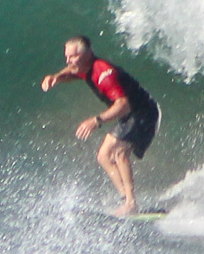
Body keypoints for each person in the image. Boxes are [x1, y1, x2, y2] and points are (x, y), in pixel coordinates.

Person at [40, 35, 160, 216]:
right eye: (67, 56)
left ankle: (131, 204)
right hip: (130, 115)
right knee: (104, 156)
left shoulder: (104, 73)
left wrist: (96, 121)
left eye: (73, 56)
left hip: (143, 112)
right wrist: (55, 77)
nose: (69, 60)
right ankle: (126, 199)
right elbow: (73, 71)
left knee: (119, 152)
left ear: (87, 54)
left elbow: (123, 104)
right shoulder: (84, 66)